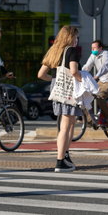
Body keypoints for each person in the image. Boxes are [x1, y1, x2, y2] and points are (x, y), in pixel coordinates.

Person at [38, 25, 81, 173]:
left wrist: (55, 79)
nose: (77, 40)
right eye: (76, 37)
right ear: (70, 37)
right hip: (68, 91)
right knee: (66, 126)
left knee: (67, 124)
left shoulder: (54, 50)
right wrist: (86, 82)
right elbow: (74, 71)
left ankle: (65, 155)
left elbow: (41, 74)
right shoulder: (72, 51)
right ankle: (60, 160)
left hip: (57, 90)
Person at [82, 40, 108, 128]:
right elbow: (87, 66)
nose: (92, 50)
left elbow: (105, 67)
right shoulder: (93, 55)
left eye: (94, 48)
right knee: (86, 96)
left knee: (100, 96)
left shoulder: (106, 54)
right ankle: (91, 121)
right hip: (101, 82)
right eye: (91, 48)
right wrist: (80, 74)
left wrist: (96, 76)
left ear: (100, 48)